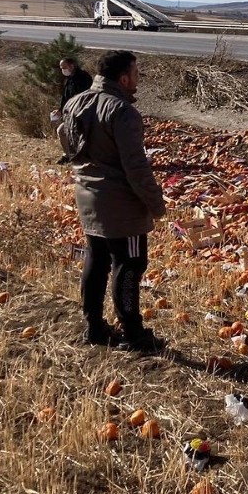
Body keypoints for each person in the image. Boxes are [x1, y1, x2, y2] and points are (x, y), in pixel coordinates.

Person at [57, 50, 168, 351]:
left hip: (87, 196)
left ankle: (94, 327)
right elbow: (136, 167)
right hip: (122, 205)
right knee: (130, 264)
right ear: (123, 77)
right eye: (136, 73)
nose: (138, 78)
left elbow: (67, 146)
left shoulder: (74, 103)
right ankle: (134, 334)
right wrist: (156, 205)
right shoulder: (122, 111)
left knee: (96, 260)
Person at [51, 57, 93, 122]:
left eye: (64, 68)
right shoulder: (69, 79)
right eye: (61, 68)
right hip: (70, 112)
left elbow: (81, 97)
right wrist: (60, 110)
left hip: (80, 113)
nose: (63, 70)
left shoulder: (83, 77)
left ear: (71, 66)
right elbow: (65, 96)